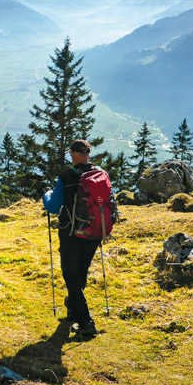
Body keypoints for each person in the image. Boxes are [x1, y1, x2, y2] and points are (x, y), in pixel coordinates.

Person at [42, 139, 117, 337]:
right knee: (80, 273)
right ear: (88, 155)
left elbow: (52, 206)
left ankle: (86, 322)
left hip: (71, 232)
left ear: (73, 154)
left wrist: (47, 194)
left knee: (70, 277)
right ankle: (73, 311)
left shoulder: (66, 177)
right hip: (94, 233)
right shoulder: (100, 174)